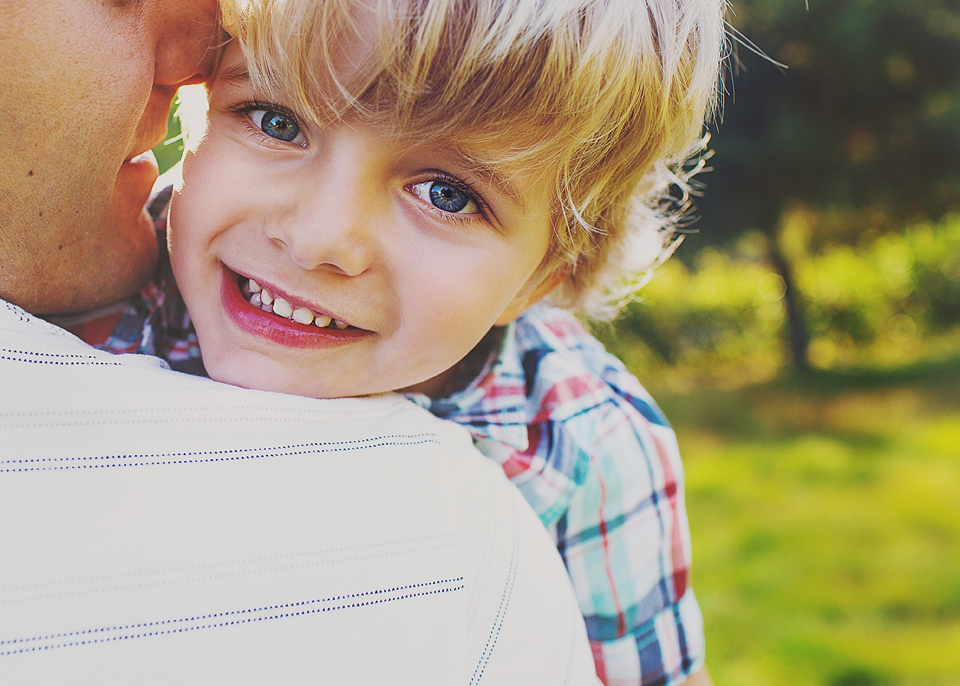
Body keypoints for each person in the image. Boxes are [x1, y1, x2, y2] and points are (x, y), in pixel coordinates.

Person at [92, 0, 725, 683]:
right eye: (277, 121)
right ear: (196, 107)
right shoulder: (95, 314)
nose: (317, 239)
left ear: (545, 278)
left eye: (447, 195)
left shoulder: (584, 454)